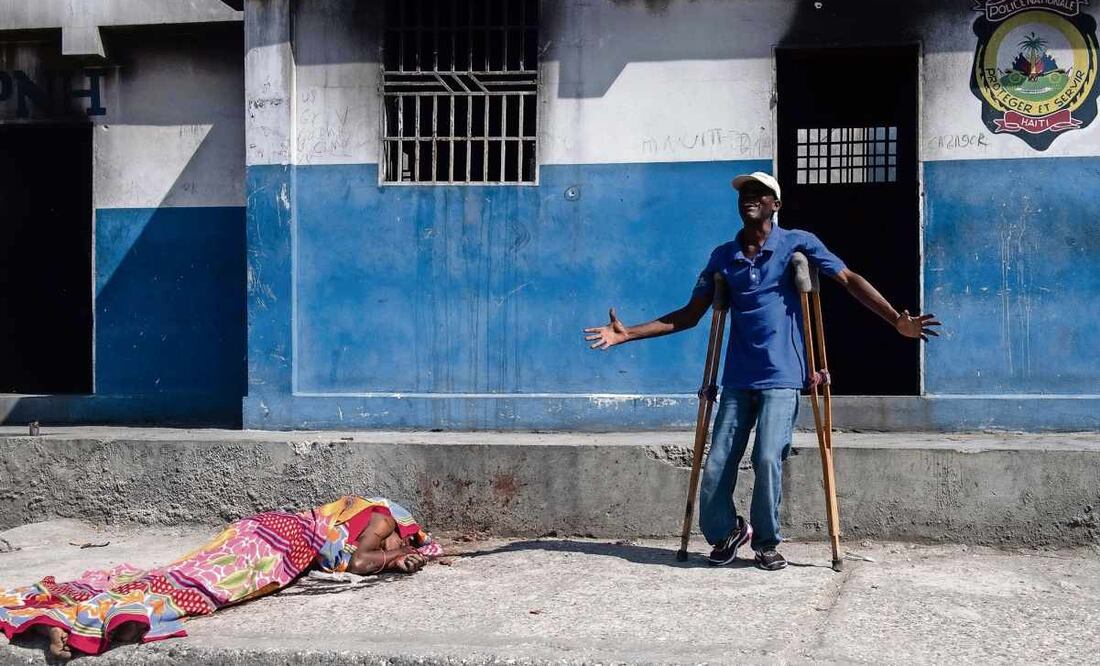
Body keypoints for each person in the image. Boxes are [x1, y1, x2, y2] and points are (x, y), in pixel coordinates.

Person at [584, 171, 939, 571]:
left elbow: (848, 279)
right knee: (717, 461)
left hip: (783, 377)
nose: (749, 198)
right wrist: (628, 333)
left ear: (776, 204)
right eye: (744, 194)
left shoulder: (796, 244)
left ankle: (766, 542)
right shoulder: (724, 256)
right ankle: (726, 531)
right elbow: (689, 315)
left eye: (759, 193)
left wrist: (896, 320)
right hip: (737, 378)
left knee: (768, 457)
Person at [0, 495, 442, 658]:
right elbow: (361, 562)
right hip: (282, 542)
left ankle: (90, 609)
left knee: (184, 573)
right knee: (211, 587)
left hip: (264, 530)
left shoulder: (355, 514)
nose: (396, 546)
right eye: (408, 541)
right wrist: (397, 555)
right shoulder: (386, 520)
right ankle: (102, 619)